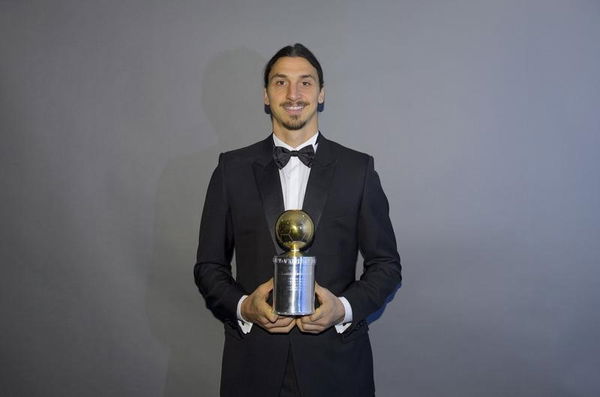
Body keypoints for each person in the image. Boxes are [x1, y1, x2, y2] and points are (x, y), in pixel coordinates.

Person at [194, 43, 402, 397]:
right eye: (280, 82)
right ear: (265, 95)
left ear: (321, 93)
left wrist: (343, 309)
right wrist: (246, 307)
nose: (293, 94)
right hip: (253, 367)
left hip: (337, 367)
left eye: (305, 83)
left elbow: (386, 265)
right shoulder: (231, 169)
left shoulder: (358, 170)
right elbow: (209, 266)